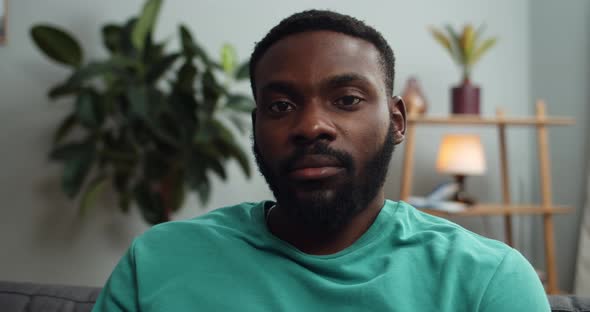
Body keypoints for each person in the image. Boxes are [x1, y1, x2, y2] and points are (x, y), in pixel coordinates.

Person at [93, 10, 550, 311]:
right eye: (280, 106)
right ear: (256, 127)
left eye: (347, 99)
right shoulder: (157, 262)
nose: (311, 126)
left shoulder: (488, 281)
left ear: (396, 120)